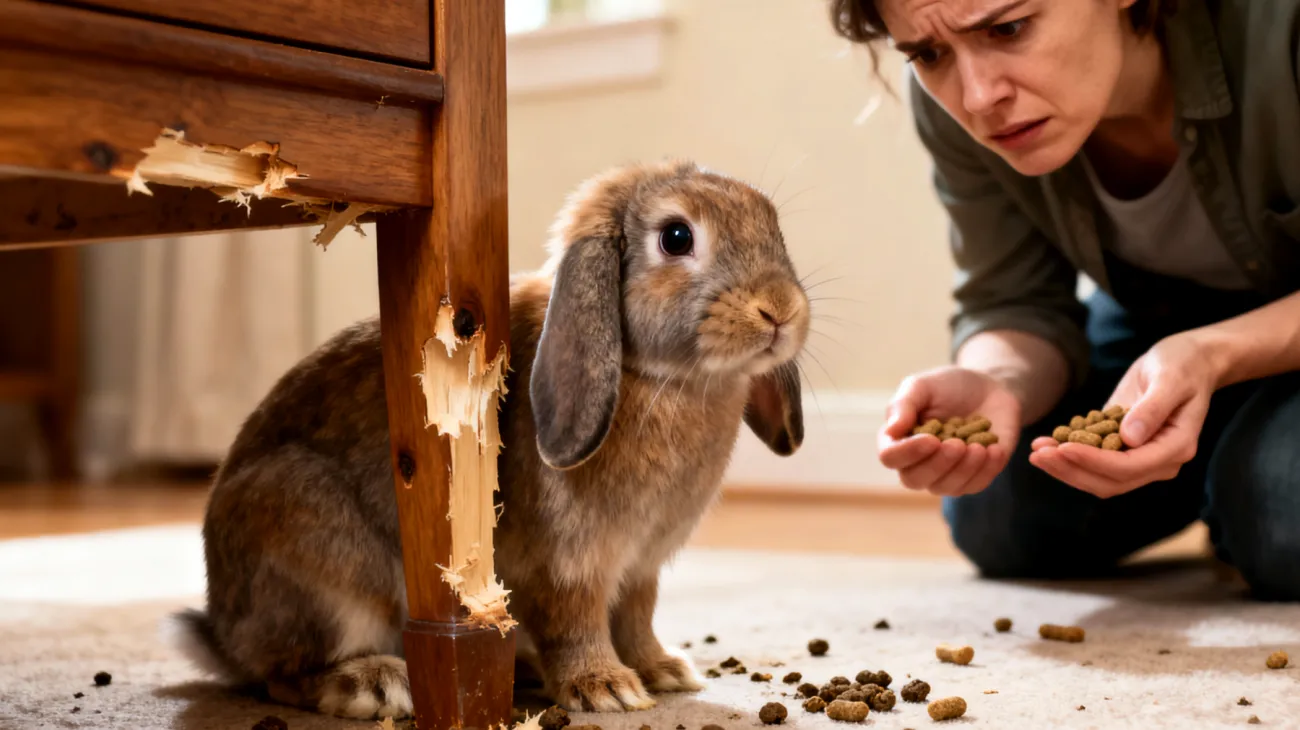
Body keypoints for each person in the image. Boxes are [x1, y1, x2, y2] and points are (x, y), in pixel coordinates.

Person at [829, 0, 1300, 601]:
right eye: (928, 53)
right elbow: (1016, 300)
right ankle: (1235, 453)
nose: (977, 97)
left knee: (1276, 512)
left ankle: (1245, 470)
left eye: (1008, 28)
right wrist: (997, 380)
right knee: (996, 515)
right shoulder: (949, 104)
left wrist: (1214, 357)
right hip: (1161, 325)